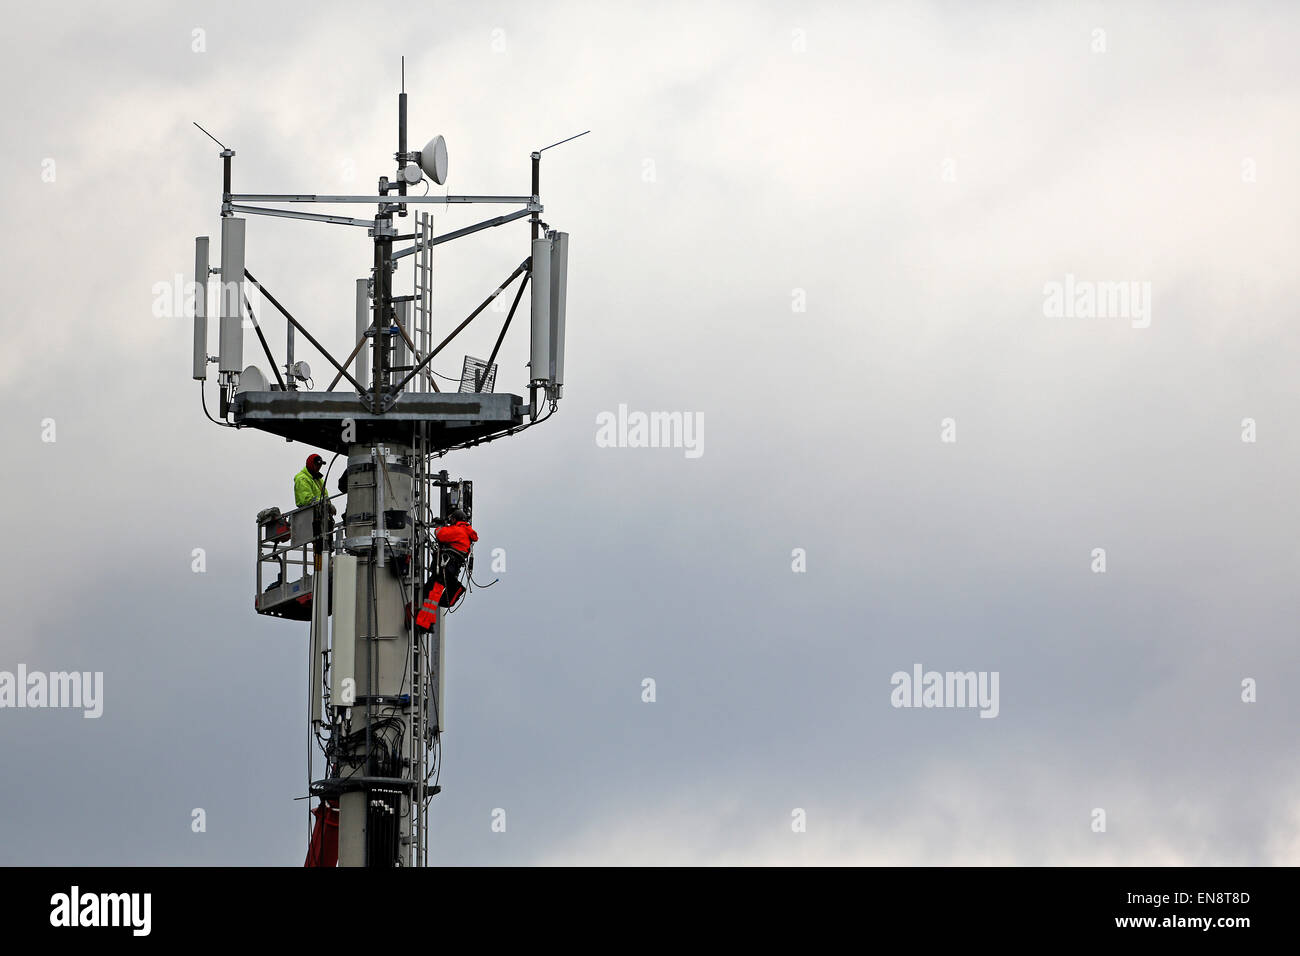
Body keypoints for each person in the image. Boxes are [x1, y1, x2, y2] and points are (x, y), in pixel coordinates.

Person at [415, 509, 478, 629]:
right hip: (450, 569)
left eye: (452, 520)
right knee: (431, 592)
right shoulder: (466, 531)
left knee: (432, 594)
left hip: (446, 567)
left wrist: (440, 526)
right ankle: (428, 622)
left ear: (455, 519)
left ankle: (424, 623)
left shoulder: (459, 530)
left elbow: (440, 534)